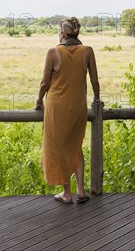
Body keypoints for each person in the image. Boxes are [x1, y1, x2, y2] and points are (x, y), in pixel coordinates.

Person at [35, 17, 101, 204]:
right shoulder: (87, 51)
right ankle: (81, 190)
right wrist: (97, 99)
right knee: (75, 145)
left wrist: (39, 101)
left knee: (59, 147)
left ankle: (67, 193)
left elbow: (44, 83)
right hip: (78, 107)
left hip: (57, 108)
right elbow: (95, 81)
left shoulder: (53, 52)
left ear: (62, 33)